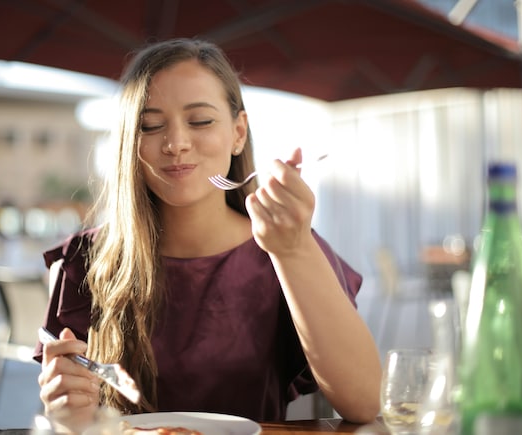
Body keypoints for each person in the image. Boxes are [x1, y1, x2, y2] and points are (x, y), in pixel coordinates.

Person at [34, 38, 381, 434]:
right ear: (130, 142)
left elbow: (365, 402)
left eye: (200, 121)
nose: (176, 143)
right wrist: (66, 412)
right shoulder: (85, 261)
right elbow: (72, 419)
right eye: (150, 126)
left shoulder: (286, 246)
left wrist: (294, 249)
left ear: (238, 132)